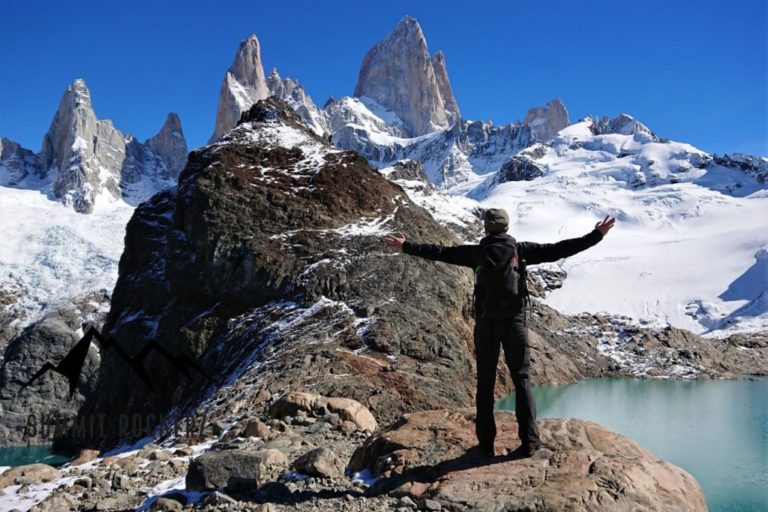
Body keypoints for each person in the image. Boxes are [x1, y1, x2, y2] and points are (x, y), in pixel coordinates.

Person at [383, 208, 615, 458]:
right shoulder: (521, 250)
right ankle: (529, 443)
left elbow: (440, 253)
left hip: (486, 323)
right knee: (522, 380)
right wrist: (596, 235)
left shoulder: (476, 252)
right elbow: (559, 249)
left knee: (485, 383)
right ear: (506, 227)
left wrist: (406, 246)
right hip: (514, 322)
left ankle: (485, 447)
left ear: (486, 228)